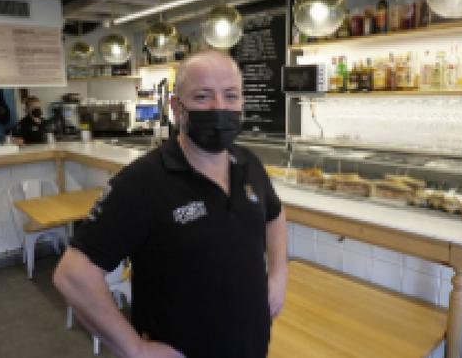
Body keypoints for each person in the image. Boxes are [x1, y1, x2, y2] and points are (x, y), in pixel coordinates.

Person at [53, 50, 287, 358]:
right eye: (203, 97)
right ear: (177, 108)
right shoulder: (142, 182)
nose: (220, 107)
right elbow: (73, 274)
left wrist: (278, 274)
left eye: (231, 96)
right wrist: (134, 349)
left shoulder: (249, 164)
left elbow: (275, 214)